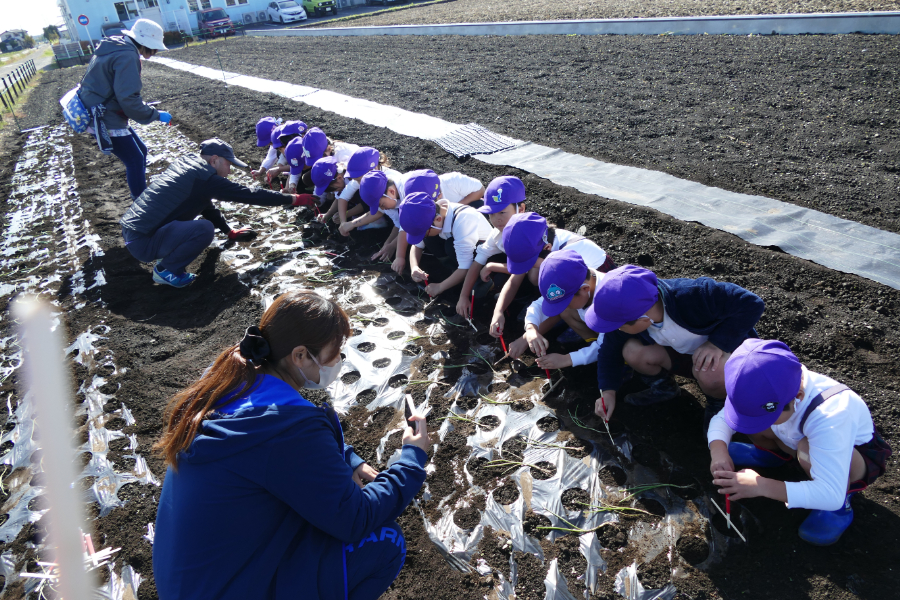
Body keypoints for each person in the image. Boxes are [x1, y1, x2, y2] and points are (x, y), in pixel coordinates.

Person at [153, 290, 430, 599]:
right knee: (385, 539)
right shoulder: (288, 430)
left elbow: (283, 457)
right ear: (300, 355)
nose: (339, 361)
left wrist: (347, 458)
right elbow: (355, 518)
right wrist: (411, 458)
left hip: (189, 582)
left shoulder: (231, 378)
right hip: (225, 589)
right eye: (335, 352)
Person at [709, 339, 891, 546]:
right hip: (794, 437)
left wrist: (761, 486)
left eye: (766, 416)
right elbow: (723, 418)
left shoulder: (831, 416)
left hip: (847, 461)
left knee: (807, 450)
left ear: (799, 396)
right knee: (752, 421)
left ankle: (840, 510)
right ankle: (769, 455)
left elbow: (830, 493)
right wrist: (719, 451)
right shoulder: (758, 385)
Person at [120, 138, 315, 288]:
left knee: (200, 221)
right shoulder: (205, 179)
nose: (229, 171)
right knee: (204, 229)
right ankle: (166, 270)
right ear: (214, 160)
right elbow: (250, 195)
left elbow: (203, 203)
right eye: (228, 164)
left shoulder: (188, 165)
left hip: (135, 232)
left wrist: (228, 231)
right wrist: (293, 199)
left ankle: (167, 254)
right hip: (143, 241)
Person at [584, 265, 765, 424]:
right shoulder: (630, 313)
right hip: (685, 356)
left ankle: (717, 403)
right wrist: (608, 391)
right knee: (631, 351)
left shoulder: (694, 295)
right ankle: (665, 388)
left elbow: (751, 303)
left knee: (711, 373)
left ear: (642, 320)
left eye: (619, 326)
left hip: (726, 360)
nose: (616, 330)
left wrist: (717, 343)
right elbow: (609, 351)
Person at [78, 19, 171, 200]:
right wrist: (156, 114)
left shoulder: (115, 46)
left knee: (141, 152)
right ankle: (142, 206)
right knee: (134, 159)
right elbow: (128, 98)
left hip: (97, 108)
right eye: (154, 48)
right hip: (103, 115)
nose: (155, 52)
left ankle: (141, 195)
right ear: (145, 43)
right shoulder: (127, 56)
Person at [490, 212, 614, 337]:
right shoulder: (539, 242)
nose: (526, 267)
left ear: (547, 248)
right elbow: (513, 281)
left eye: (529, 263)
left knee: (564, 310)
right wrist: (498, 312)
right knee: (534, 276)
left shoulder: (569, 258)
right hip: (572, 288)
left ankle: (584, 328)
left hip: (594, 295)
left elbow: (561, 300)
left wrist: (525, 339)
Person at [507, 250, 606, 371]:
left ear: (584, 289)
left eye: (566, 302)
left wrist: (567, 359)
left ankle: (619, 366)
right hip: (602, 330)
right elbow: (537, 305)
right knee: (565, 311)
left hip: (620, 338)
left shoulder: (607, 303)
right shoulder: (573, 281)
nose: (563, 306)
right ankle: (592, 344)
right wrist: (531, 329)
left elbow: (607, 344)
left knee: (622, 350)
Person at [455, 176, 526, 319]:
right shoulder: (497, 234)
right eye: (492, 214)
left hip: (542, 276)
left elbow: (525, 267)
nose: (496, 219)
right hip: (519, 270)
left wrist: (493, 266)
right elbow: (477, 262)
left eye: (502, 212)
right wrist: (463, 296)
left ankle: (529, 301)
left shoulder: (528, 234)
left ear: (521, 209)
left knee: (534, 275)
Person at [398, 191, 492, 299]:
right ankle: (453, 273)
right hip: (462, 254)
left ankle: (481, 281)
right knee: (430, 239)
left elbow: (465, 266)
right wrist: (414, 267)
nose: (422, 236)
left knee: (450, 246)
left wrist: (440, 287)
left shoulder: (463, 221)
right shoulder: (434, 215)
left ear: (437, 219)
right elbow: (417, 245)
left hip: (485, 256)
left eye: (423, 233)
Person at [250, 116, 283, 182]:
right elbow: (271, 156)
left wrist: (279, 169)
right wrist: (260, 171)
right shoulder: (277, 140)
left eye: (270, 142)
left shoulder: (290, 139)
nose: (269, 144)